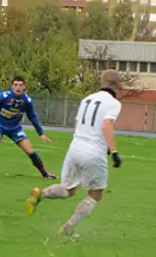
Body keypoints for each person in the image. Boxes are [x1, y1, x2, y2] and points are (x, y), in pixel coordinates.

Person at [25, 69, 123, 238]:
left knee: (68, 190)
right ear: (117, 85)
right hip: (93, 151)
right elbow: (106, 125)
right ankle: (68, 229)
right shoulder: (113, 103)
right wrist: (113, 151)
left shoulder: (87, 99)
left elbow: (78, 126)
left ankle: (42, 193)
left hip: (75, 146)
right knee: (95, 194)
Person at [0, 76, 56, 179]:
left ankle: (45, 174)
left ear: (24, 87)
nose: (18, 87)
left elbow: (32, 117)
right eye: (16, 85)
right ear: (12, 86)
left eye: (21, 85)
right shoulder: (3, 96)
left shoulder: (27, 101)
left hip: (15, 128)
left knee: (30, 151)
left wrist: (41, 133)